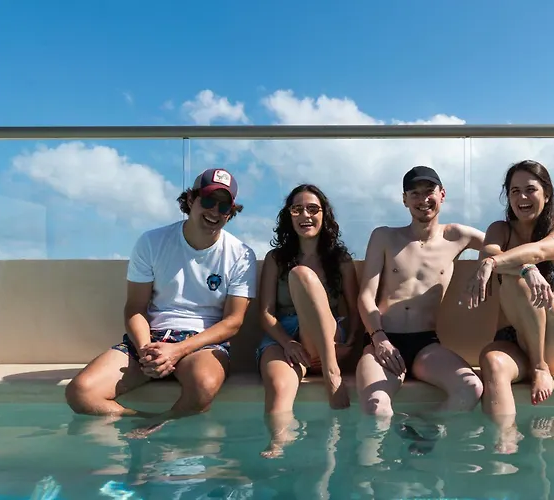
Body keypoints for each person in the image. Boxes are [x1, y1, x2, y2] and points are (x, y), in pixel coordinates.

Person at [65, 168, 258, 438]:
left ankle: (156, 424)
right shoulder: (152, 242)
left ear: (231, 212)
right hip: (152, 339)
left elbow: (233, 322)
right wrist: (147, 351)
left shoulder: (241, 254)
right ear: (191, 199)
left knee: (203, 387)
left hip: (202, 344)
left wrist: (177, 351)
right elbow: (135, 307)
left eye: (224, 206)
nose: (215, 211)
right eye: (208, 200)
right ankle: (145, 421)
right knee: (80, 392)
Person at [464, 159, 554, 450]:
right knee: (491, 361)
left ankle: (539, 367)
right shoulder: (500, 230)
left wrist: (504, 265)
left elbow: (539, 251)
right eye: (514, 191)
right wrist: (525, 269)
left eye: (530, 189)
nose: (522, 197)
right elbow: (490, 252)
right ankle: (504, 441)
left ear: (547, 194)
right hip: (512, 340)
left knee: (517, 281)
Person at [356, 165, 486, 418]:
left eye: (429, 191)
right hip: (382, 338)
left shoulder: (457, 236)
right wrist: (379, 339)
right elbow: (366, 296)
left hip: (425, 345)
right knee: (376, 406)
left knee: (471, 389)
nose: (423, 199)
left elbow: (501, 247)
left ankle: (422, 428)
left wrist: (488, 265)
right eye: (414, 193)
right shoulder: (384, 237)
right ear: (405, 199)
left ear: (442, 194)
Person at [256, 184, 359, 457]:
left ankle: (331, 374)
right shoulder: (276, 259)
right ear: (288, 215)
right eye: (297, 209)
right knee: (278, 386)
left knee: (301, 275)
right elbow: (265, 313)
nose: (305, 215)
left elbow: (354, 308)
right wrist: (287, 343)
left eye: (313, 209)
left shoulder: (340, 259)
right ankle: (279, 440)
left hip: (323, 339)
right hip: (284, 336)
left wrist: (348, 343)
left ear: (324, 214)